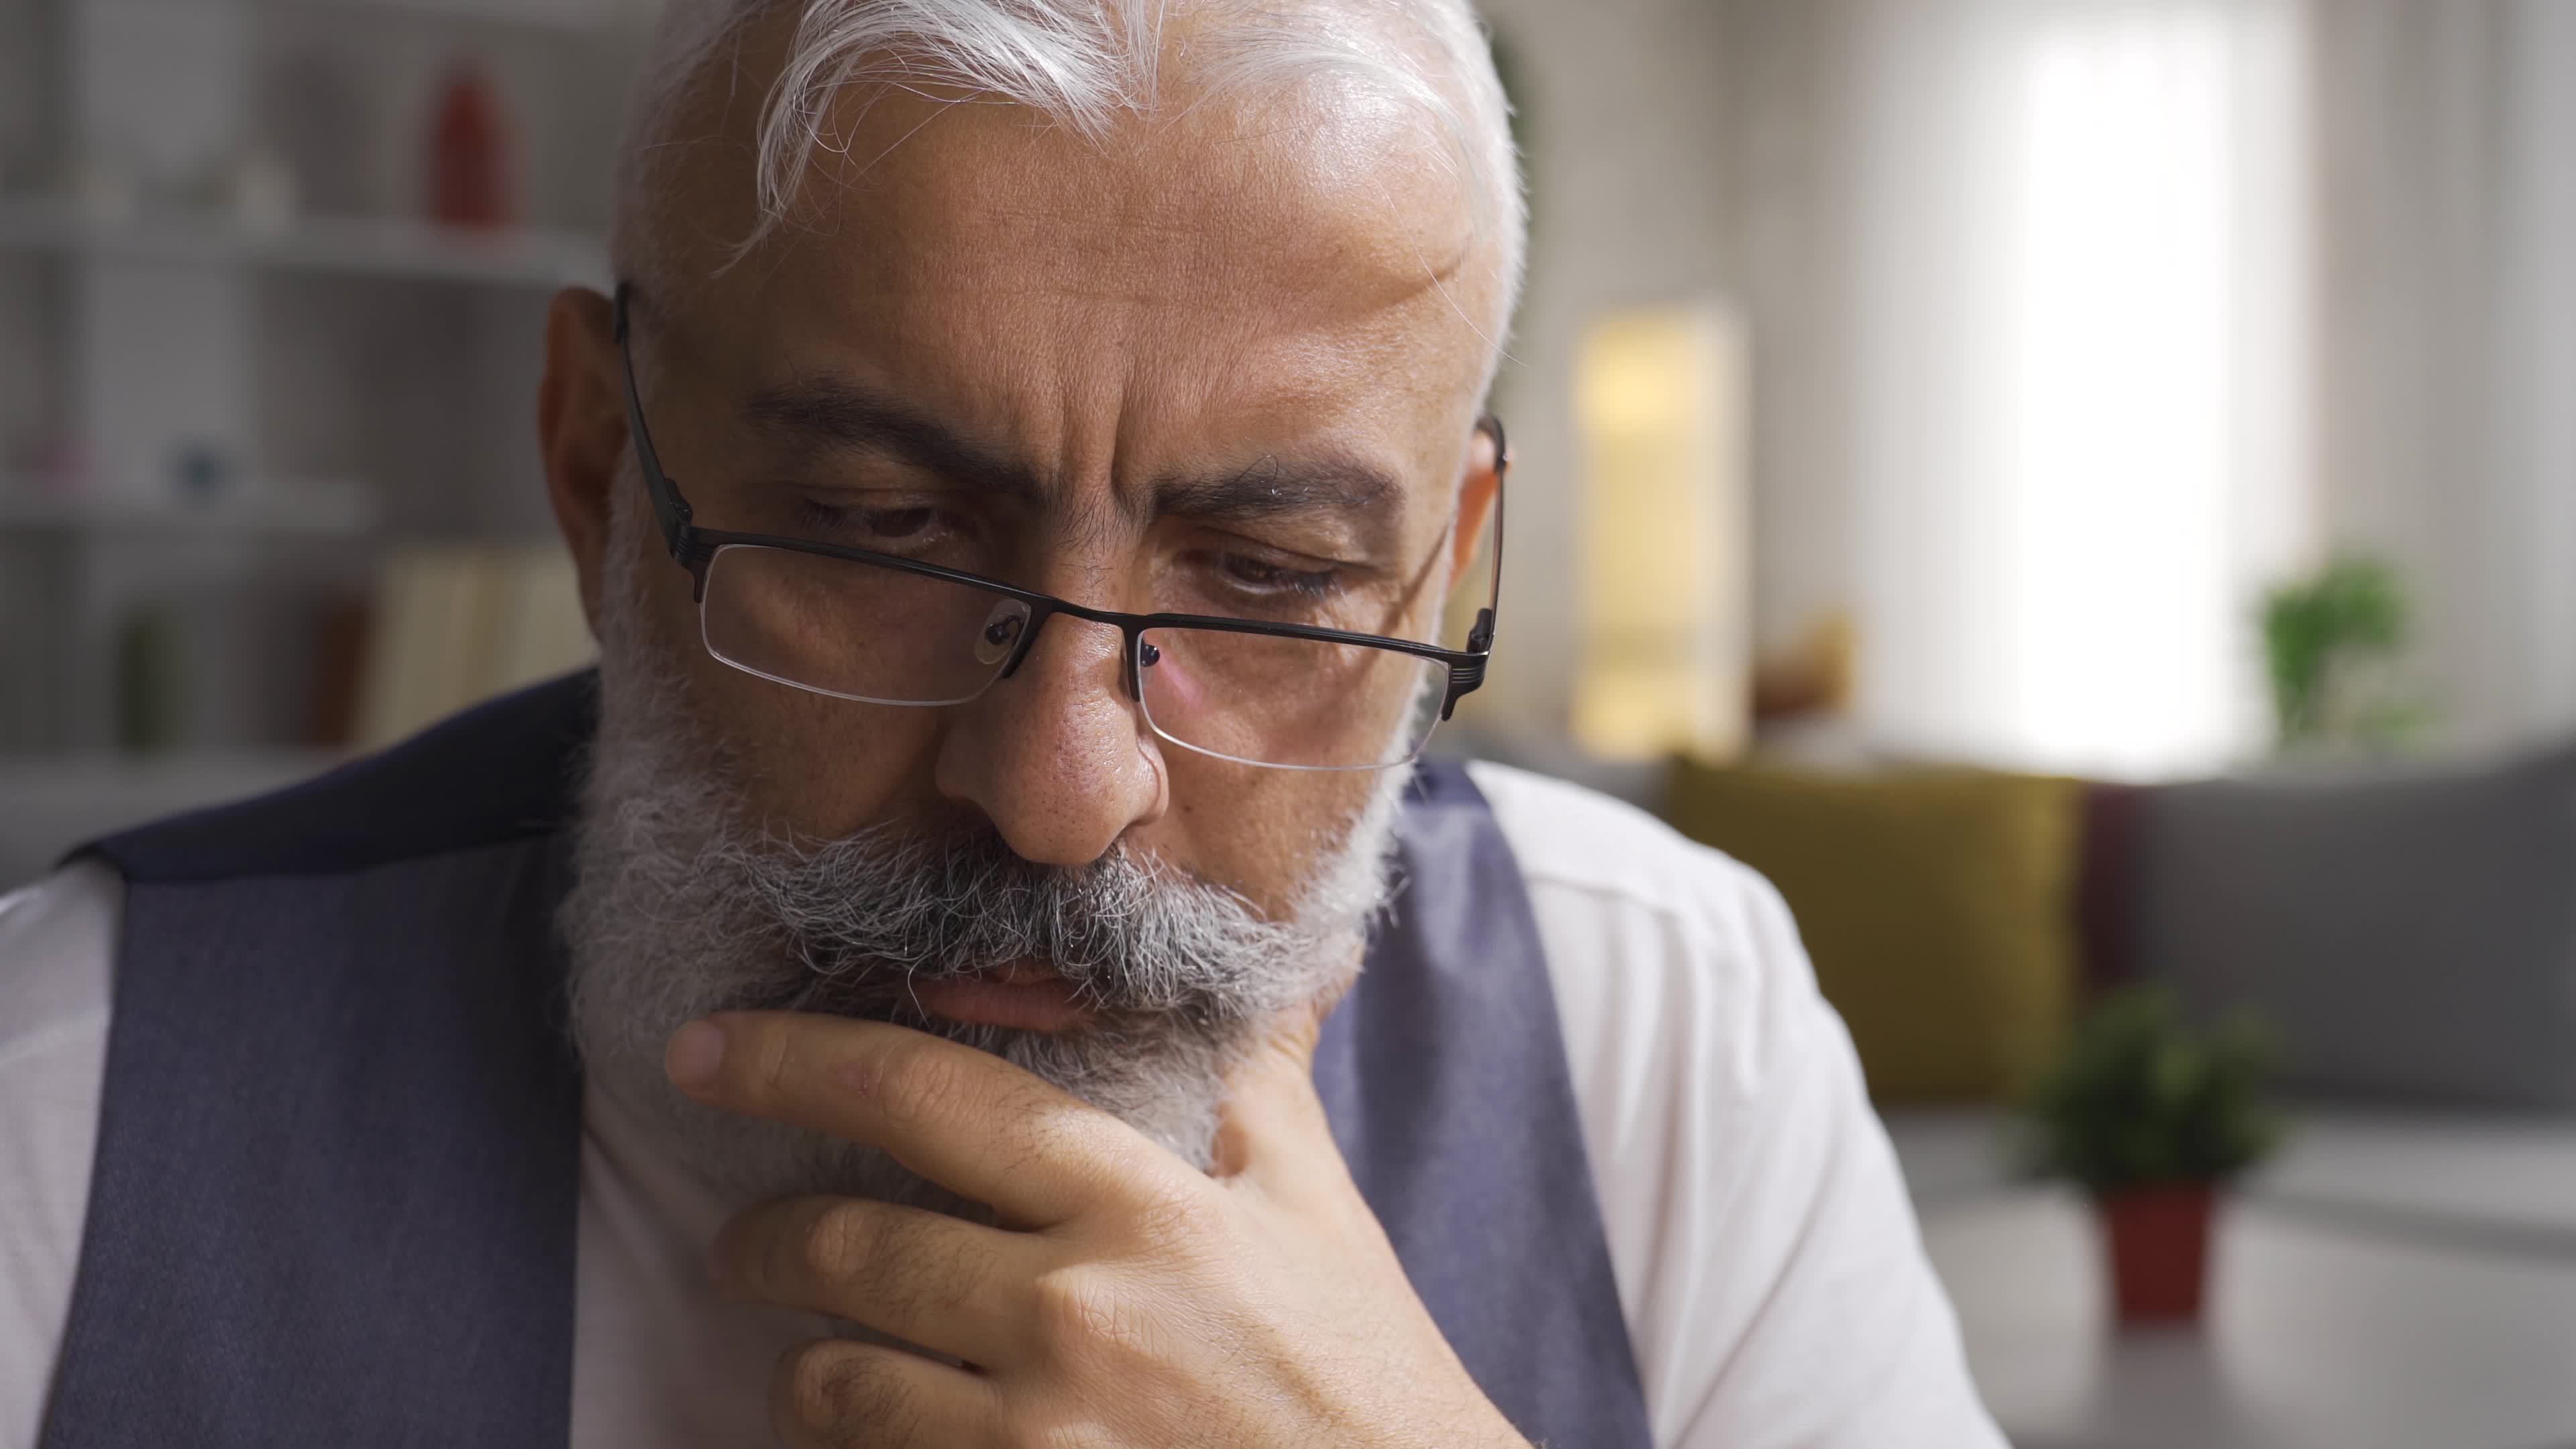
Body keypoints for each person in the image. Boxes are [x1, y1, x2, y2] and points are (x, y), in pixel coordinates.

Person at [0, 1, 2004, 1444]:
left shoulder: (1670, 1029)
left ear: (1448, 572)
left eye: (1275, 573)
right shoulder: (64, 1113)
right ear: (604, 466)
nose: (1060, 791)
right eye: (887, 536)